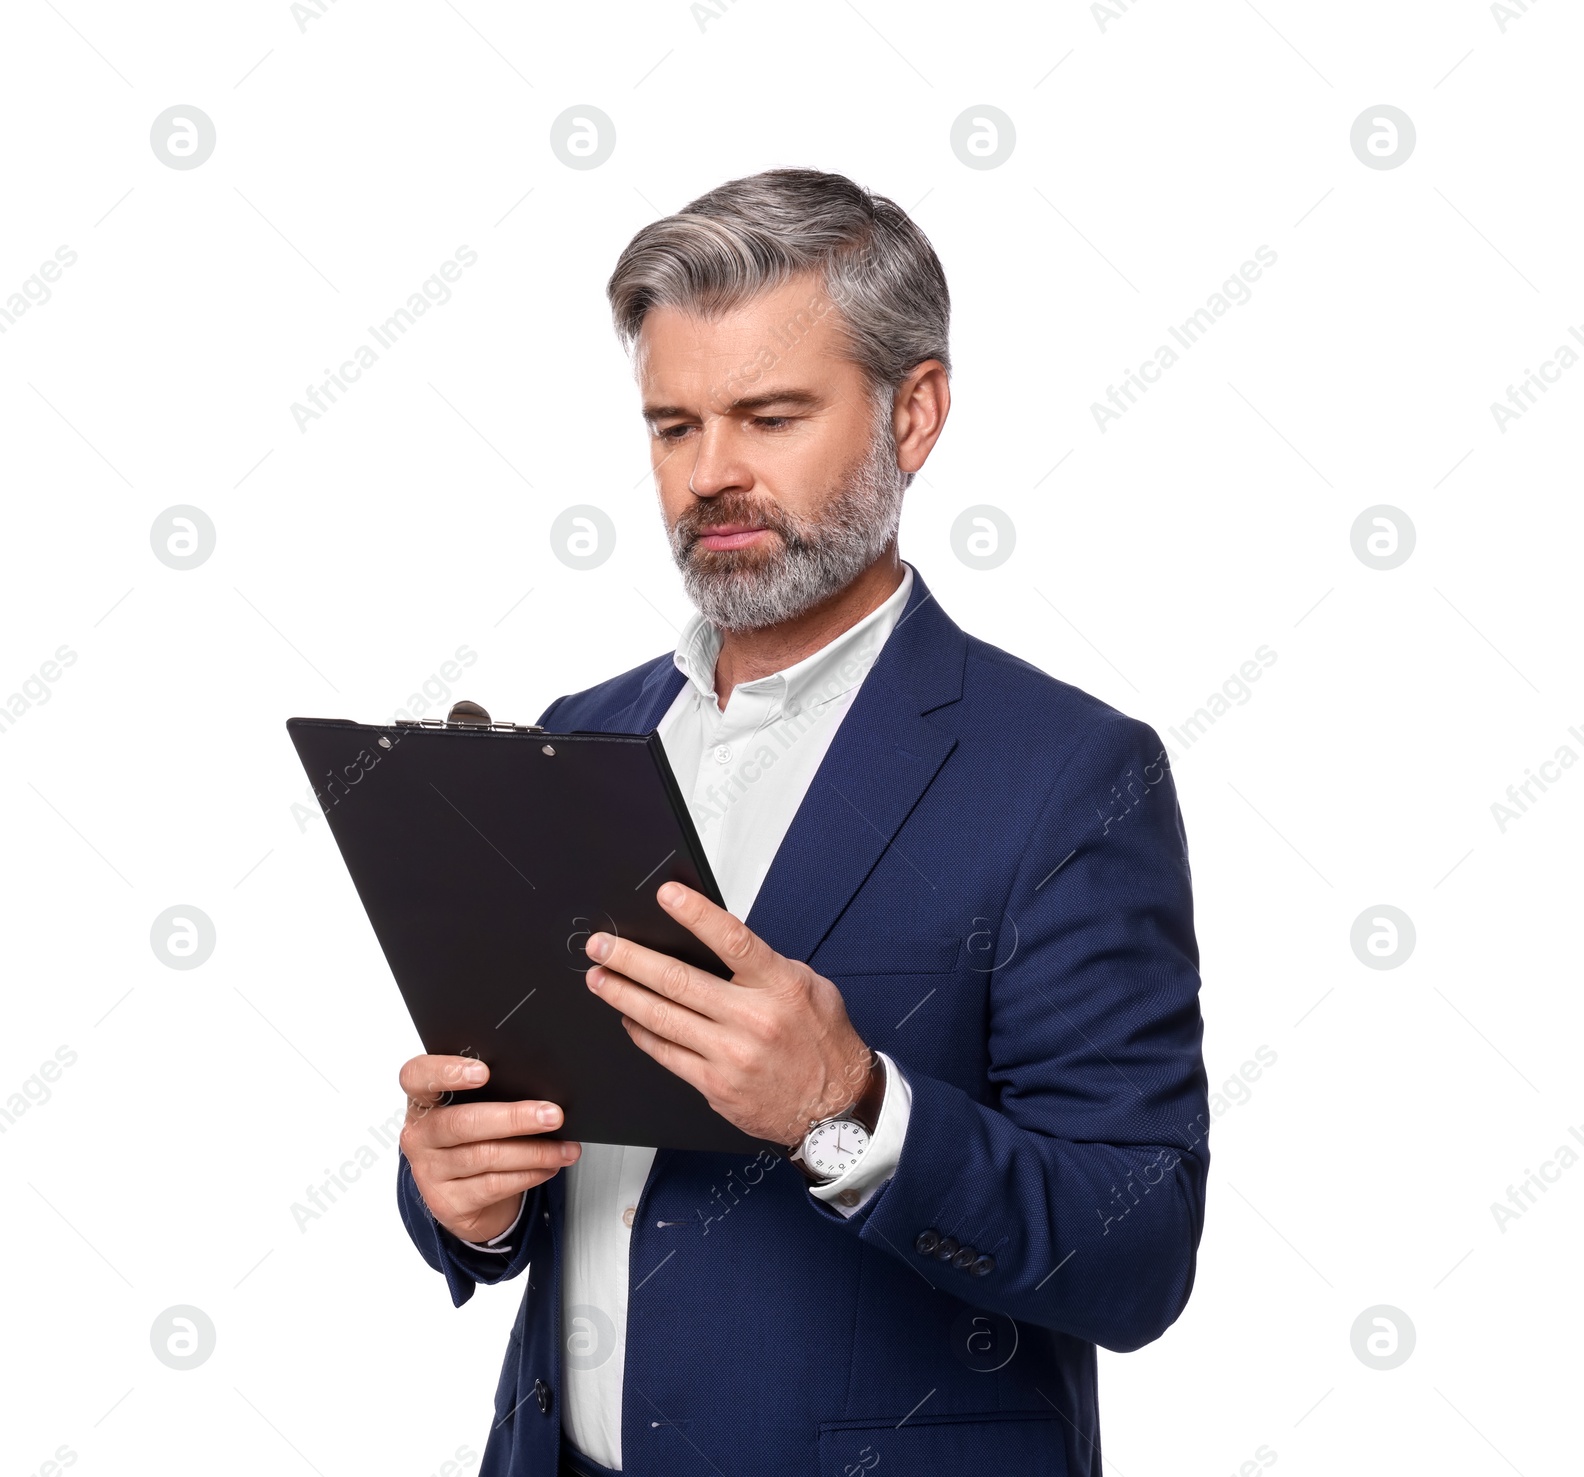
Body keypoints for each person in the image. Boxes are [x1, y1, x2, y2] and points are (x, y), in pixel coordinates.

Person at [396, 167, 1208, 1477]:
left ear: (917, 412)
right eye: (672, 426)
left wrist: (850, 1109)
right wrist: (461, 1193)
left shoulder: (1067, 777)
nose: (711, 474)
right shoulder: (579, 736)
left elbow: (1140, 1252)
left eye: (769, 416)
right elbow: (529, 1162)